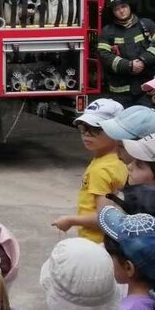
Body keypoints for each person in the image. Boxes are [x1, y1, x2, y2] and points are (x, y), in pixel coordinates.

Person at [52, 99, 128, 244]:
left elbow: (104, 217)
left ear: (116, 130)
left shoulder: (102, 170)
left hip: (97, 242)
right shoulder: (119, 160)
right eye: (83, 127)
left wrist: (70, 220)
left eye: (95, 129)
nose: (86, 134)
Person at [97, 0, 155, 107]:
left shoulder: (146, 25)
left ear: (130, 6)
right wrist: (129, 65)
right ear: (112, 12)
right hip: (120, 93)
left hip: (146, 89)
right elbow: (104, 55)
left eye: (124, 6)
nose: (121, 11)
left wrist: (143, 60)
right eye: (116, 9)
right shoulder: (107, 32)